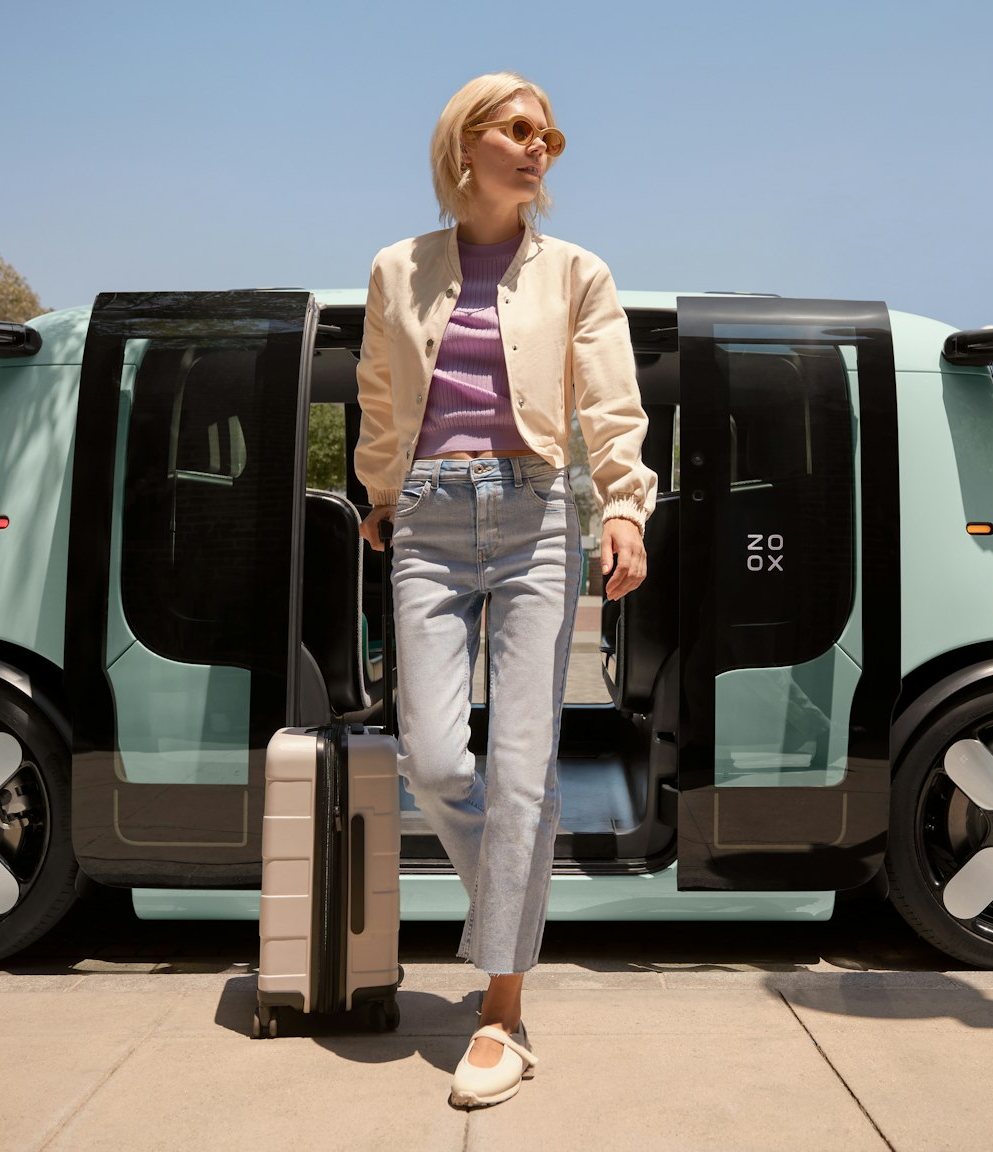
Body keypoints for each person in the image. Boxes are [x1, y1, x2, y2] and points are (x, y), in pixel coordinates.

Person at [352, 71, 656, 1109]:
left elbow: (612, 407)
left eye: (551, 137)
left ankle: (501, 1008)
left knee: (523, 774)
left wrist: (622, 509)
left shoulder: (577, 272)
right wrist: (379, 495)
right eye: (519, 130)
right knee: (433, 761)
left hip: (534, 519)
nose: (540, 148)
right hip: (428, 523)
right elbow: (380, 394)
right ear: (466, 142)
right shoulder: (397, 267)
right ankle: (513, 911)